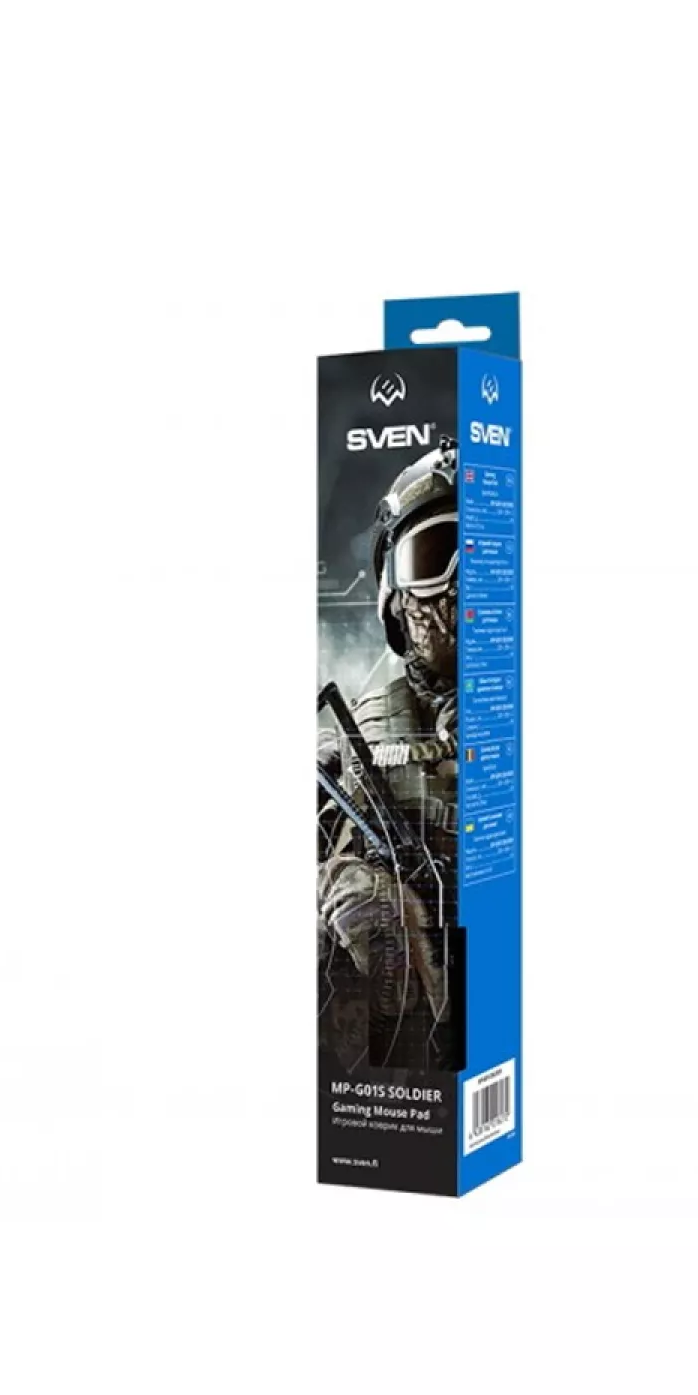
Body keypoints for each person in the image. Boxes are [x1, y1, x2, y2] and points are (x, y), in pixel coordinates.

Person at [317, 438, 462, 1072]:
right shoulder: (357, 743)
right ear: (394, 596)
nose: (460, 581)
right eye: (434, 554)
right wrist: (341, 883)